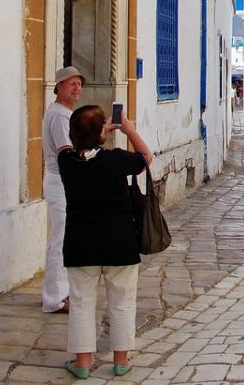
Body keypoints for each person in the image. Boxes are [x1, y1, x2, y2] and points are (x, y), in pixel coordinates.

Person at [59, 104, 153, 379]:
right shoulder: (116, 160)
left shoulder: (66, 161)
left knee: (81, 304)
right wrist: (128, 130)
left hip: (80, 244)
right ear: (102, 133)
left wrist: (96, 130)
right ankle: (121, 360)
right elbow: (146, 157)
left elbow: (75, 147)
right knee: (122, 302)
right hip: (119, 243)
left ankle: (83, 363)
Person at [40, 66, 84, 314]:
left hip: (62, 182)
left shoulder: (64, 113)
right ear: (59, 87)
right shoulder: (59, 116)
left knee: (64, 237)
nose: (77, 88)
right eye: (71, 83)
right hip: (60, 182)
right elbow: (67, 151)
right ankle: (55, 298)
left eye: (79, 84)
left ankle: (60, 292)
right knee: (61, 239)